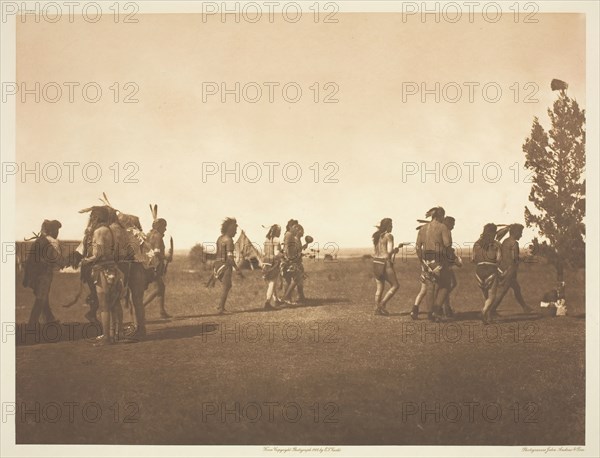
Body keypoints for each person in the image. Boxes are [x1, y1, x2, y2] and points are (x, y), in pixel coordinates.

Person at [81, 207, 127, 345]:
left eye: (92, 217)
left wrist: (86, 260)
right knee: (115, 302)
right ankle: (119, 333)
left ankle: (107, 337)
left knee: (104, 305)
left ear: (96, 217)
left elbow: (99, 253)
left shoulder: (99, 231)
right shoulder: (111, 230)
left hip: (102, 269)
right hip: (113, 269)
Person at [414, 206, 453, 322]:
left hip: (426, 260)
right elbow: (447, 244)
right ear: (440, 216)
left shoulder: (423, 228)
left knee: (430, 287)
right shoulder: (442, 227)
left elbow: (417, 247)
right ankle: (436, 310)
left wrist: (422, 262)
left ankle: (430, 314)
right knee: (446, 285)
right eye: (443, 216)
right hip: (438, 259)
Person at [23, 220, 64, 328]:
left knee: (43, 297)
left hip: (38, 273)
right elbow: (46, 260)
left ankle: (49, 319)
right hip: (41, 274)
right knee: (41, 297)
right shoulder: (47, 242)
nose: (57, 233)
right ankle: (32, 323)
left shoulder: (42, 240)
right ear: (51, 230)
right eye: (56, 230)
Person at [489, 223, 532, 316]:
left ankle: (525, 307)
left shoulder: (505, 241)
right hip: (510, 271)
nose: (521, 235)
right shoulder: (514, 243)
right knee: (503, 291)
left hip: (503, 269)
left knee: (516, 288)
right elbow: (515, 259)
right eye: (520, 232)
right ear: (516, 232)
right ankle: (490, 311)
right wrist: (525, 257)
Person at [473, 223, 501, 323]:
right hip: (491, 269)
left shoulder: (476, 243)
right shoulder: (496, 244)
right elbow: (498, 259)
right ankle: (483, 312)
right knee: (492, 296)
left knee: (486, 297)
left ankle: (488, 318)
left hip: (479, 270)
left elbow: (473, 259)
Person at [144, 218, 173, 318]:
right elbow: (156, 252)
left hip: (148, 264)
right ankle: (140, 306)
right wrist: (166, 257)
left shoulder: (148, 235)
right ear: (159, 227)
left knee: (161, 287)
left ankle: (162, 311)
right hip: (155, 265)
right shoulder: (158, 236)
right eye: (164, 226)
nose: (165, 229)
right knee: (159, 288)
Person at [211, 217, 240, 314]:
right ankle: (220, 308)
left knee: (227, 285)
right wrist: (237, 269)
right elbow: (230, 258)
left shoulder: (220, 238)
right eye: (235, 230)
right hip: (225, 265)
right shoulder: (229, 240)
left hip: (217, 264)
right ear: (231, 229)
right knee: (227, 285)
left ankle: (220, 307)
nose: (236, 233)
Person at [372, 218, 400, 316]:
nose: (392, 227)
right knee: (395, 285)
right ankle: (382, 304)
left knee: (379, 287)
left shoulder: (376, 236)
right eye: (391, 225)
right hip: (385, 263)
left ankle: (376, 308)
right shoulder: (389, 236)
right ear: (387, 226)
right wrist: (395, 250)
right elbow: (389, 252)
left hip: (376, 262)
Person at [282, 223, 307, 305]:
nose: (303, 233)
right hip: (294, 262)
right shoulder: (295, 239)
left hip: (297, 261)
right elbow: (292, 252)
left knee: (299, 279)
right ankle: (286, 297)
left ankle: (301, 296)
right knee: (296, 279)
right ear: (298, 231)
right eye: (302, 231)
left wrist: (303, 248)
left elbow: (298, 250)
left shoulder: (298, 239)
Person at [263, 224, 283, 310]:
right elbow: (276, 253)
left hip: (266, 263)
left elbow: (264, 253)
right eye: (279, 231)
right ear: (276, 231)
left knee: (272, 282)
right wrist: (283, 254)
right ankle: (267, 303)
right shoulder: (277, 240)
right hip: (273, 263)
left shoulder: (266, 240)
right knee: (272, 283)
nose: (280, 232)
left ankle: (276, 300)